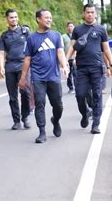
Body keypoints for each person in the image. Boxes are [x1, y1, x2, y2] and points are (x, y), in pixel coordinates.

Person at [65, 3, 112, 135]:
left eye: (92, 12)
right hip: (81, 68)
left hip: (96, 68)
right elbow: (72, 47)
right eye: (87, 12)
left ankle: (96, 124)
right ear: (83, 14)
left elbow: (106, 49)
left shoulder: (100, 30)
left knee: (97, 95)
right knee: (80, 94)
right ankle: (85, 113)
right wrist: (65, 61)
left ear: (95, 14)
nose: (90, 14)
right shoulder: (77, 29)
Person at [19, 9, 69, 143]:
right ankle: (42, 132)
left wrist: (64, 66)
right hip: (38, 77)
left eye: (50, 18)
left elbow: (60, 53)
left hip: (54, 76)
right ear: (38, 19)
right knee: (39, 104)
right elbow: (27, 59)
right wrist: (23, 78)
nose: (49, 20)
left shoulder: (56, 35)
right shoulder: (31, 38)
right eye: (46, 17)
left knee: (58, 105)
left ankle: (56, 120)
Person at [0, 9, 31, 130]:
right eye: (11, 17)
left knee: (25, 92)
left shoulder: (25, 31)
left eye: (16, 17)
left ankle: (25, 117)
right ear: (7, 19)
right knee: (12, 96)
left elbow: (32, 47)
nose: (14, 19)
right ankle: (16, 120)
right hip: (10, 67)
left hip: (24, 66)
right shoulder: (4, 36)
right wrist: (1, 66)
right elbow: (1, 53)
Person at [62, 21, 76, 94]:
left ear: (74, 27)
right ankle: (71, 88)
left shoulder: (77, 36)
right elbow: (61, 48)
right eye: (69, 26)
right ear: (67, 28)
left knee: (76, 73)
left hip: (75, 58)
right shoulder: (63, 36)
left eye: (72, 26)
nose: (70, 27)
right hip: (66, 58)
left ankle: (77, 87)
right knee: (68, 74)